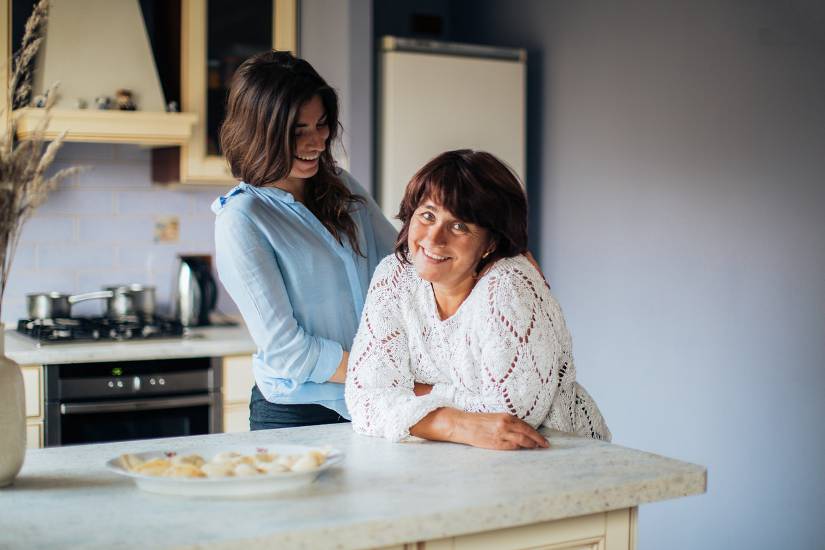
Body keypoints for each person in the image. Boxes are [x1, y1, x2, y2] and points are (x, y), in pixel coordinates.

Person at [345, 150, 611, 450]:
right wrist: (453, 423)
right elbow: (364, 399)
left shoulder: (509, 285)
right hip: (453, 460)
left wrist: (413, 393)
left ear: (490, 243)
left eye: (459, 226)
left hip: (560, 456)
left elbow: (511, 417)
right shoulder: (395, 275)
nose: (433, 239)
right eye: (427, 215)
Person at [212, 50, 396, 430]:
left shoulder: (341, 187)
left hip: (370, 402)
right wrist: (385, 373)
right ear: (260, 132)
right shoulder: (243, 219)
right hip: (297, 414)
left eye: (322, 124)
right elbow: (287, 353)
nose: (317, 141)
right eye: (299, 131)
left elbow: (401, 264)